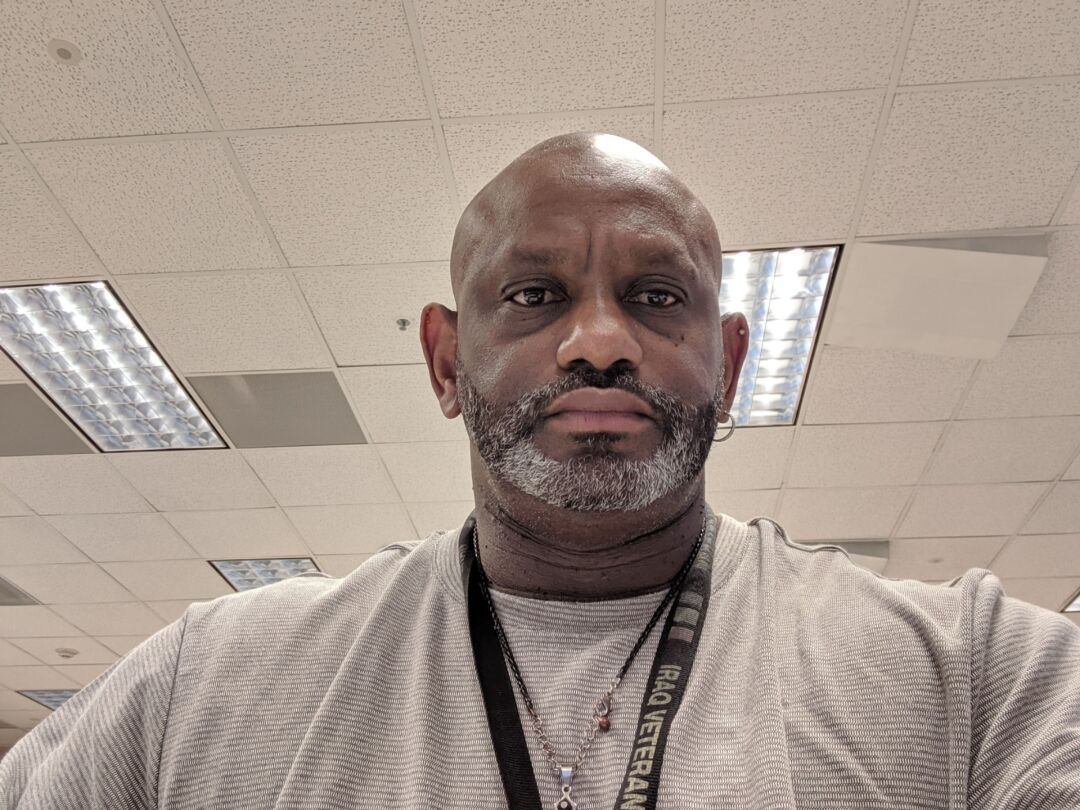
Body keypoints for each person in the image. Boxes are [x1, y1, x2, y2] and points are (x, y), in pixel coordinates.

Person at [1, 133, 1078, 809]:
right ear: (445, 362)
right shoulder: (210, 683)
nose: (598, 342)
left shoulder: (983, 679)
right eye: (533, 296)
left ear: (729, 364)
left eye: (657, 297)